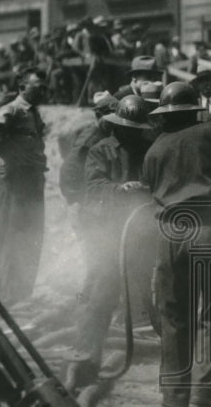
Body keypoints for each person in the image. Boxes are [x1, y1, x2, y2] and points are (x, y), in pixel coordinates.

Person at [142, 82, 211, 407]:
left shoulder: (155, 148)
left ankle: (174, 395)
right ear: (194, 109)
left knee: (173, 315)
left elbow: (150, 187)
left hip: (170, 234)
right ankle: (205, 393)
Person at [66, 95, 158, 388]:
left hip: (143, 233)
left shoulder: (149, 149)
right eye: (127, 128)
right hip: (109, 233)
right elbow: (93, 188)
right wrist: (121, 189)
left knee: (153, 293)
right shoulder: (100, 150)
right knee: (100, 296)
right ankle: (85, 357)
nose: (132, 133)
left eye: (137, 128)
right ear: (117, 126)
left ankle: (172, 359)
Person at [0, 69, 48, 305]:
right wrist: (9, 156)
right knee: (12, 239)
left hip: (31, 182)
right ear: (22, 87)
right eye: (37, 86)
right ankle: (9, 299)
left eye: (44, 87)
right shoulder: (14, 110)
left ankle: (24, 295)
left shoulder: (33, 114)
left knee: (32, 237)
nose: (42, 91)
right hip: (13, 183)